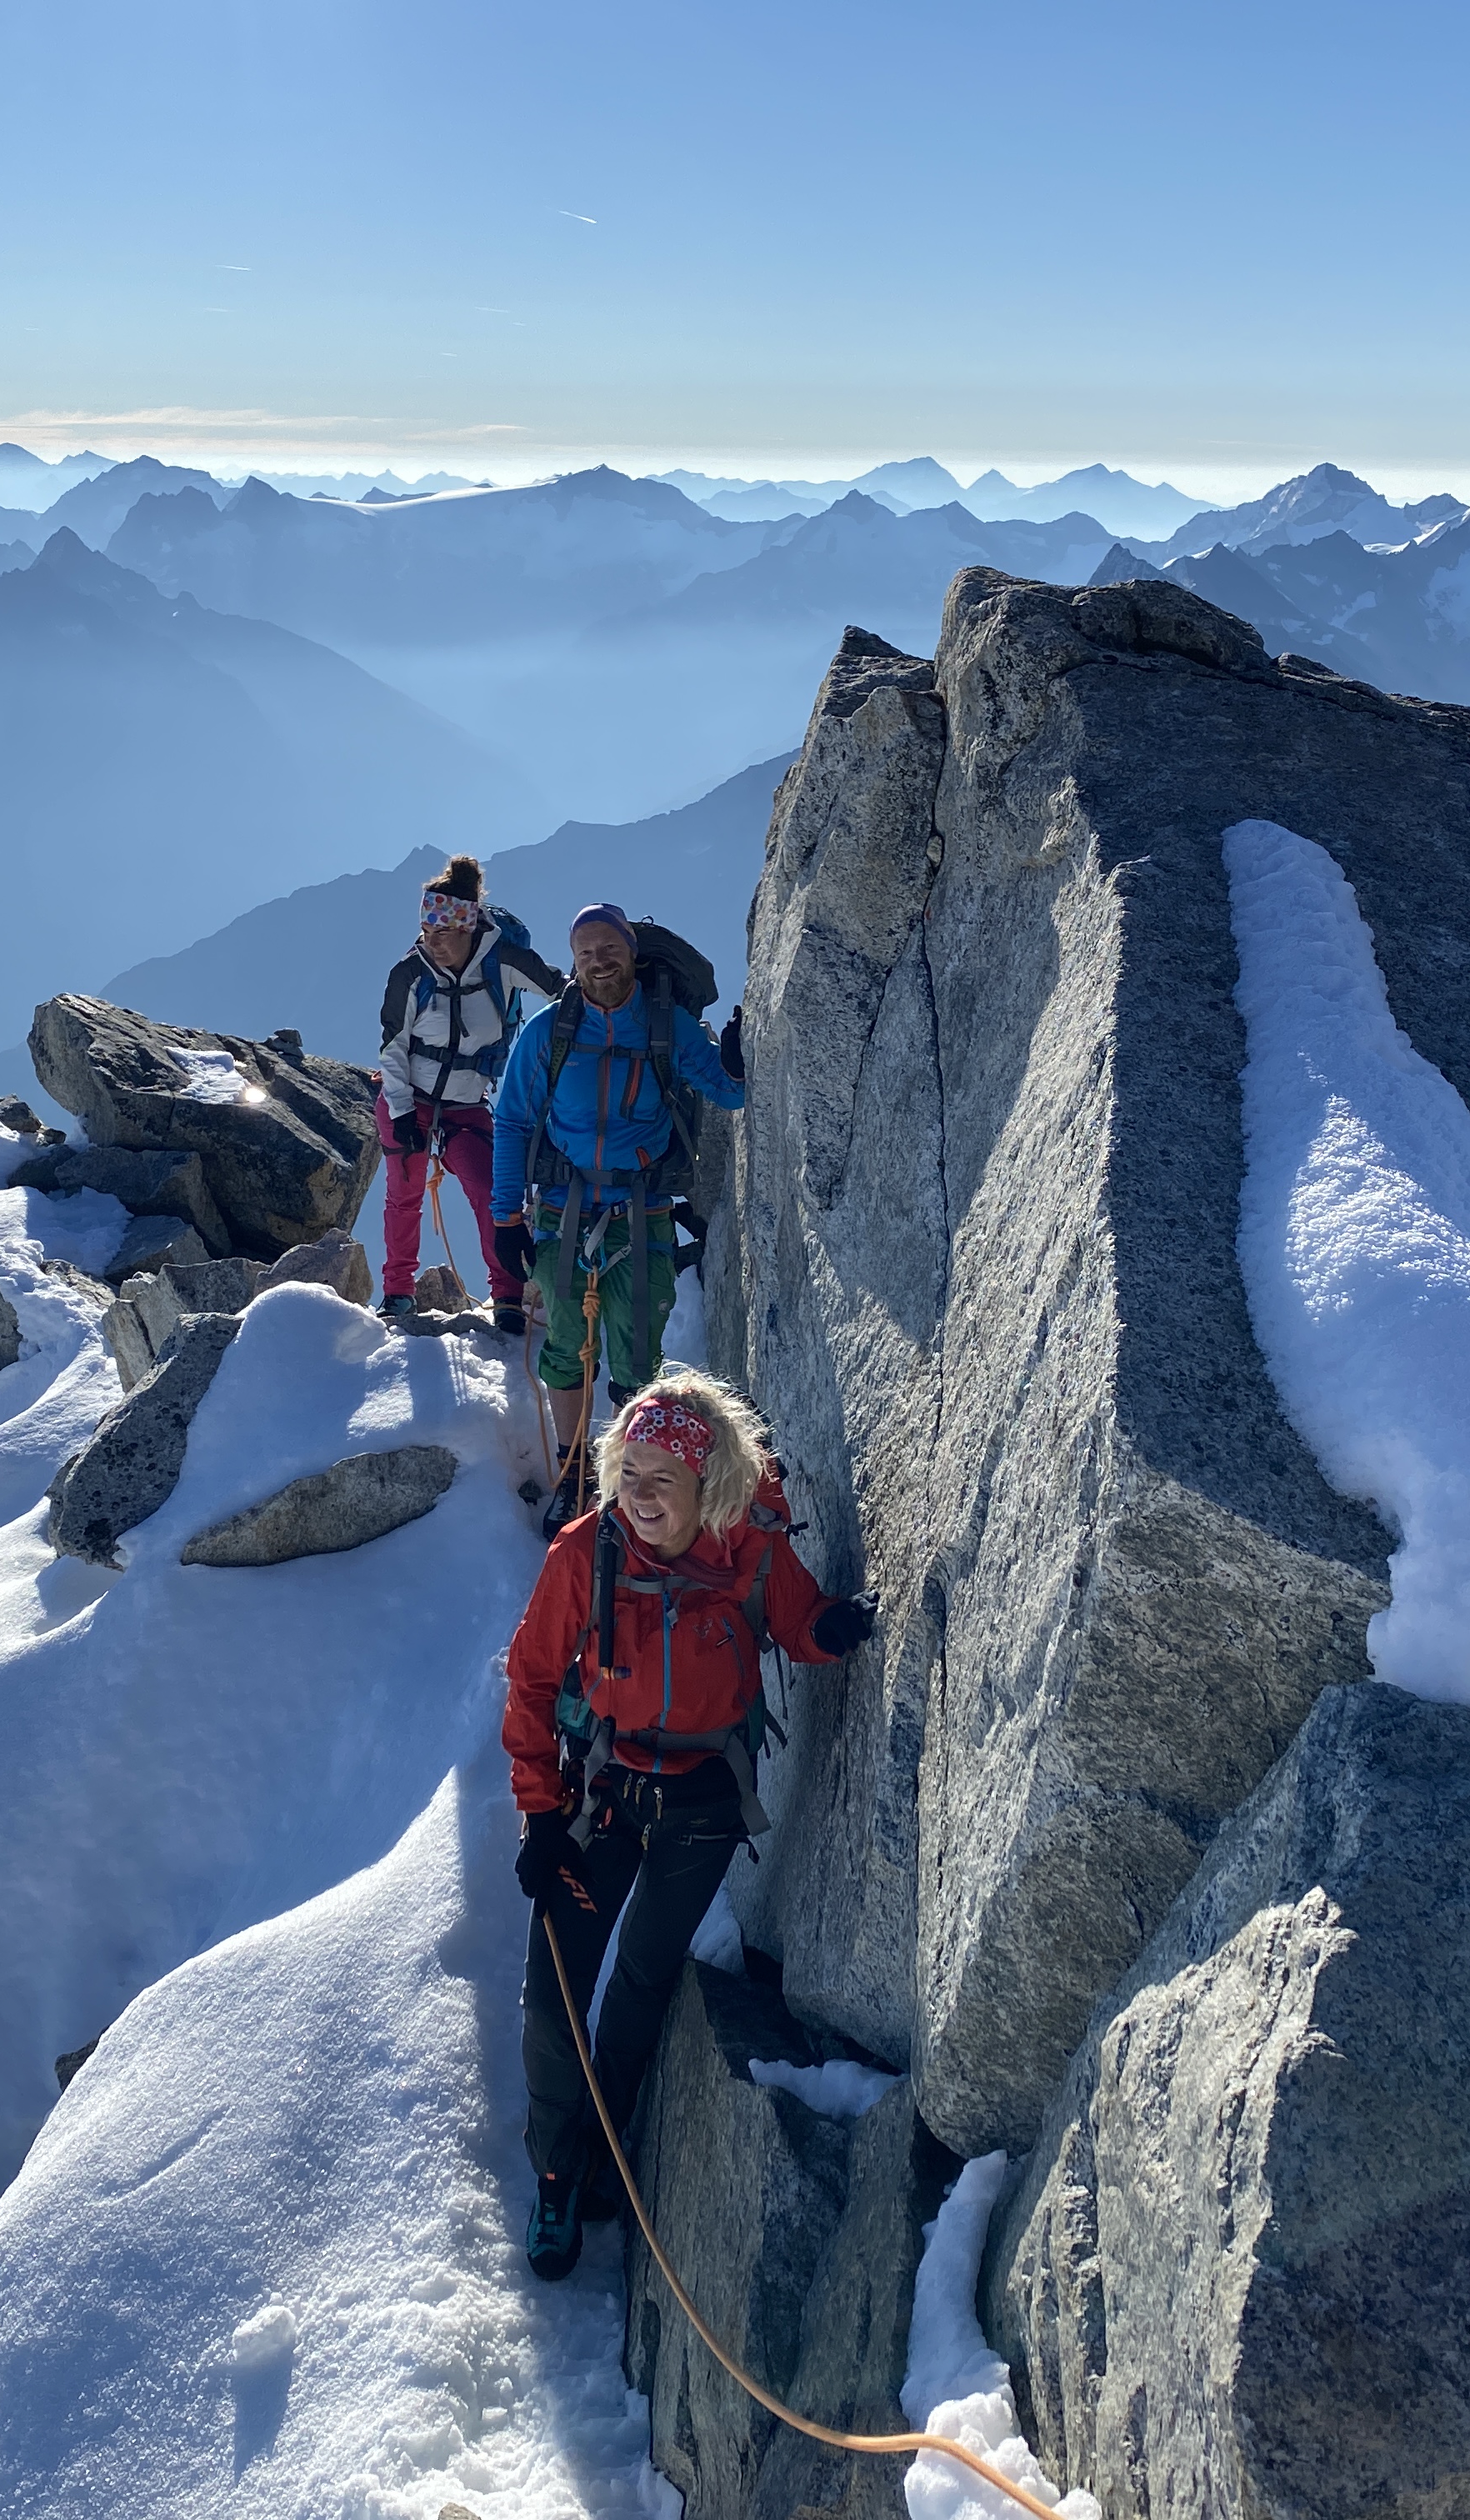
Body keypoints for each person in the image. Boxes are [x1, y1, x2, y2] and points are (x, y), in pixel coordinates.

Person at [501, 1368, 878, 2280]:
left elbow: (797, 1625)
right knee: (556, 1988)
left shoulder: (746, 1549)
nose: (638, 1495)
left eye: (660, 1478)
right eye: (628, 1472)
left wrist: (843, 1627)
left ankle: (602, 2152)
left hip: (703, 1807)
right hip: (603, 1796)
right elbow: (532, 1682)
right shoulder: (583, 1556)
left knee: (639, 1980)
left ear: (707, 1484)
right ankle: (557, 2175)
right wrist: (540, 1814)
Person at [488, 902, 748, 1522]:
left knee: (637, 1352)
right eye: (587, 954)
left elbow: (726, 1093)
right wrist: (505, 1220)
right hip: (562, 1210)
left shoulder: (667, 1026)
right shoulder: (548, 1032)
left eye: (610, 950)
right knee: (567, 1345)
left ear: (632, 952)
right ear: (573, 963)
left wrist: (736, 1062)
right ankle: (575, 1476)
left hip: (643, 1207)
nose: (599, 962)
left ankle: (630, 1480)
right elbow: (513, 1122)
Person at [373, 856, 562, 1332]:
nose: (431, 942)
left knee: (491, 1191)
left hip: (465, 1105)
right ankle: (397, 1292)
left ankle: (508, 1298)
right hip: (408, 1097)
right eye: (426, 931)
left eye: (442, 933)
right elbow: (392, 1049)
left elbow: (562, 992)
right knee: (404, 1190)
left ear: (468, 928)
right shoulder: (409, 974)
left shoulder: (504, 961)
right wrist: (398, 1111)